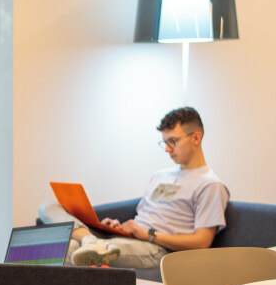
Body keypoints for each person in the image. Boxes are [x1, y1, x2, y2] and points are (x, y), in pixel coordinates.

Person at [41, 107, 228, 269]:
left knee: (70, 251)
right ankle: (88, 238)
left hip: (157, 249)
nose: (167, 149)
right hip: (129, 238)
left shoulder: (210, 184)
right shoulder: (160, 176)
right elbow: (143, 217)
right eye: (165, 142)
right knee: (47, 208)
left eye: (173, 141)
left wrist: (149, 235)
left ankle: (89, 243)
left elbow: (202, 242)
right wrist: (117, 227)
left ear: (196, 137)